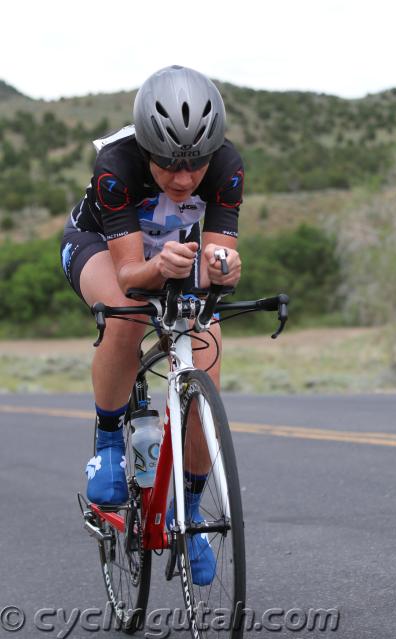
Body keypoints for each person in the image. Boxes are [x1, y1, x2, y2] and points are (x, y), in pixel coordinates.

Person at [60, 65, 244, 585]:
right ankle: (108, 447)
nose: (184, 178)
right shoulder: (115, 165)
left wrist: (225, 268)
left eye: (195, 164)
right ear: (145, 148)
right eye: (167, 163)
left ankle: (194, 517)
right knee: (129, 308)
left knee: (206, 343)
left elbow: (222, 258)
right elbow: (129, 272)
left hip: (174, 253)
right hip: (101, 248)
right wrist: (158, 269)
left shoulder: (228, 165)